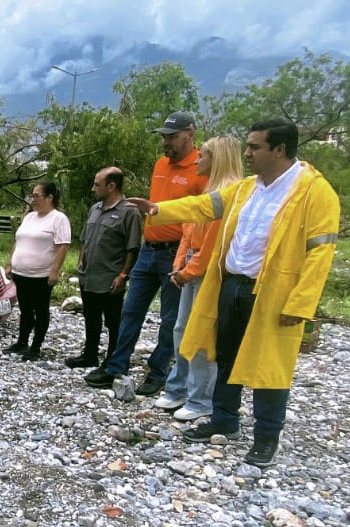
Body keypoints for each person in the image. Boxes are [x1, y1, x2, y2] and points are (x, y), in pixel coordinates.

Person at [130, 120, 339, 467]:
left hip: (272, 293)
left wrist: (301, 304)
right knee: (225, 354)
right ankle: (225, 420)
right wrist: (158, 210)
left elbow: (321, 252)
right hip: (232, 284)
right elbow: (204, 206)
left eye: (255, 147)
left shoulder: (315, 192)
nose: (247, 153)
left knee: (270, 367)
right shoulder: (246, 188)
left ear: (280, 150)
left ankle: (266, 437)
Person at [84, 111, 207, 395]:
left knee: (170, 318)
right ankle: (116, 365)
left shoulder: (200, 168)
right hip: (148, 250)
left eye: (172, 137)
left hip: (176, 252)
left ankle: (158, 370)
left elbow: (202, 214)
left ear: (190, 135)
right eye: (163, 137)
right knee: (131, 310)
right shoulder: (160, 165)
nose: (166, 142)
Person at [152, 136, 243, 420]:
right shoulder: (207, 189)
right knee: (181, 329)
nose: (198, 160)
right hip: (191, 263)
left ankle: (201, 398)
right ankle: (178, 387)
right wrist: (180, 264)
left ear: (218, 159)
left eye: (203, 155)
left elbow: (215, 244)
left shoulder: (229, 193)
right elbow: (188, 232)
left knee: (203, 334)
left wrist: (189, 270)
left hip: (209, 270)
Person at [66, 167, 142, 370]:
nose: (93, 189)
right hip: (89, 277)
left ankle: (113, 360)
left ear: (111, 186)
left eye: (97, 184)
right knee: (91, 318)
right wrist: (81, 259)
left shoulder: (129, 212)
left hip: (110, 279)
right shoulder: (95, 209)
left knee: (114, 322)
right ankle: (90, 355)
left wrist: (123, 275)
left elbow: (132, 248)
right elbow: (84, 238)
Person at [3, 181, 71, 361]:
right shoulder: (29, 217)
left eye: (36, 196)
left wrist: (54, 271)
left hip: (41, 275)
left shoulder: (58, 219)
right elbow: (18, 241)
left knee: (40, 310)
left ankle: (36, 346)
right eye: (32, 196)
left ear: (49, 198)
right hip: (21, 273)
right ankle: (22, 342)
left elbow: (63, 245)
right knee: (25, 309)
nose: (32, 200)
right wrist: (10, 263)